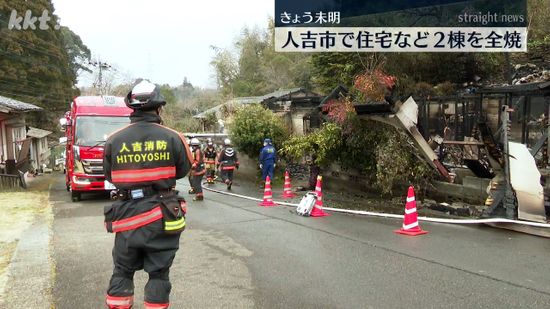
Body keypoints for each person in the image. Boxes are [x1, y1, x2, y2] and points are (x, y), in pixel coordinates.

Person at [103, 80, 192, 309]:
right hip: (163, 217)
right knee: (159, 275)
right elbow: (183, 169)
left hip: (126, 217)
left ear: (132, 108)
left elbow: (110, 175)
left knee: (122, 271)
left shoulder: (114, 139)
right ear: (159, 108)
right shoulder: (174, 137)